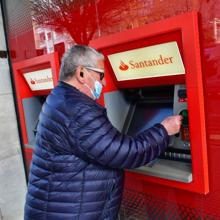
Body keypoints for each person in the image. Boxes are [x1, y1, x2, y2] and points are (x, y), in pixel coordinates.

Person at [24, 45, 182, 220]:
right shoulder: (78, 110)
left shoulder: (60, 98)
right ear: (81, 73)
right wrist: (164, 130)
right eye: (101, 75)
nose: (105, 83)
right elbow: (125, 153)